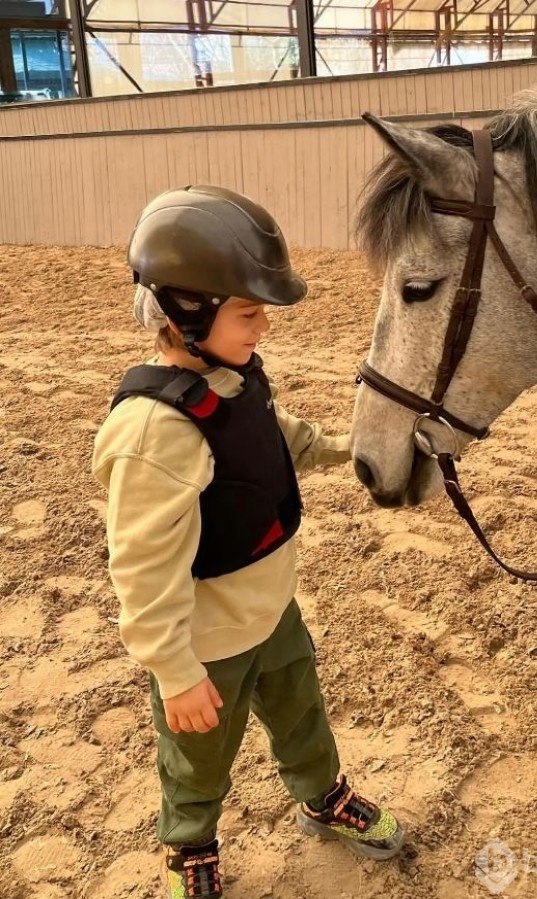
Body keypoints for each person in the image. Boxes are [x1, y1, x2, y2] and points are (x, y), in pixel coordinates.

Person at [92, 185, 404, 898]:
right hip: (205, 640)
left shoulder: (232, 377)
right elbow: (140, 570)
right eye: (249, 311)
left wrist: (349, 450)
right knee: (196, 756)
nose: (264, 325)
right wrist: (173, 669)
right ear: (186, 311)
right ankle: (191, 844)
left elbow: (278, 436)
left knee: (303, 715)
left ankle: (323, 797)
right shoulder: (152, 435)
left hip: (272, 610)